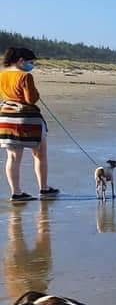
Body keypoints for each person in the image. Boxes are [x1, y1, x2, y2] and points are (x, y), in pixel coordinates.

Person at [0, 47, 59, 201]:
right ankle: (44, 188)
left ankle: (16, 192)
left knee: (12, 157)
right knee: (40, 154)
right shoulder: (25, 76)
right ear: (21, 61)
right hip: (27, 118)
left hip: (6, 116)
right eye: (31, 62)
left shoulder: (2, 75)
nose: (32, 65)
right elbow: (31, 99)